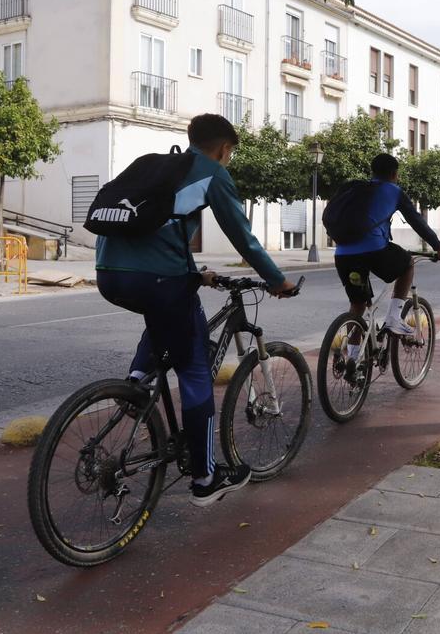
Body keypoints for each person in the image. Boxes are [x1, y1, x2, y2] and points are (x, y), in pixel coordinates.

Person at [95, 113, 295, 506]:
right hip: (156, 279)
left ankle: (137, 382)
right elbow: (244, 237)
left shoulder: (156, 166)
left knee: (171, 310)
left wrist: (193, 272)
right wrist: (276, 280)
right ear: (224, 148)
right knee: (195, 368)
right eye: (231, 153)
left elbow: (157, 230)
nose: (229, 159)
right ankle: (205, 479)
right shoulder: (211, 172)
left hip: (109, 275)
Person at [333, 153, 440, 338]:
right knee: (407, 264)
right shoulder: (394, 191)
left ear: (372, 172)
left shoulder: (352, 188)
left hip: (343, 253)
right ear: (394, 174)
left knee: (357, 305)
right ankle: (393, 317)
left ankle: (352, 358)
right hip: (374, 250)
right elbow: (417, 221)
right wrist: (438, 246)